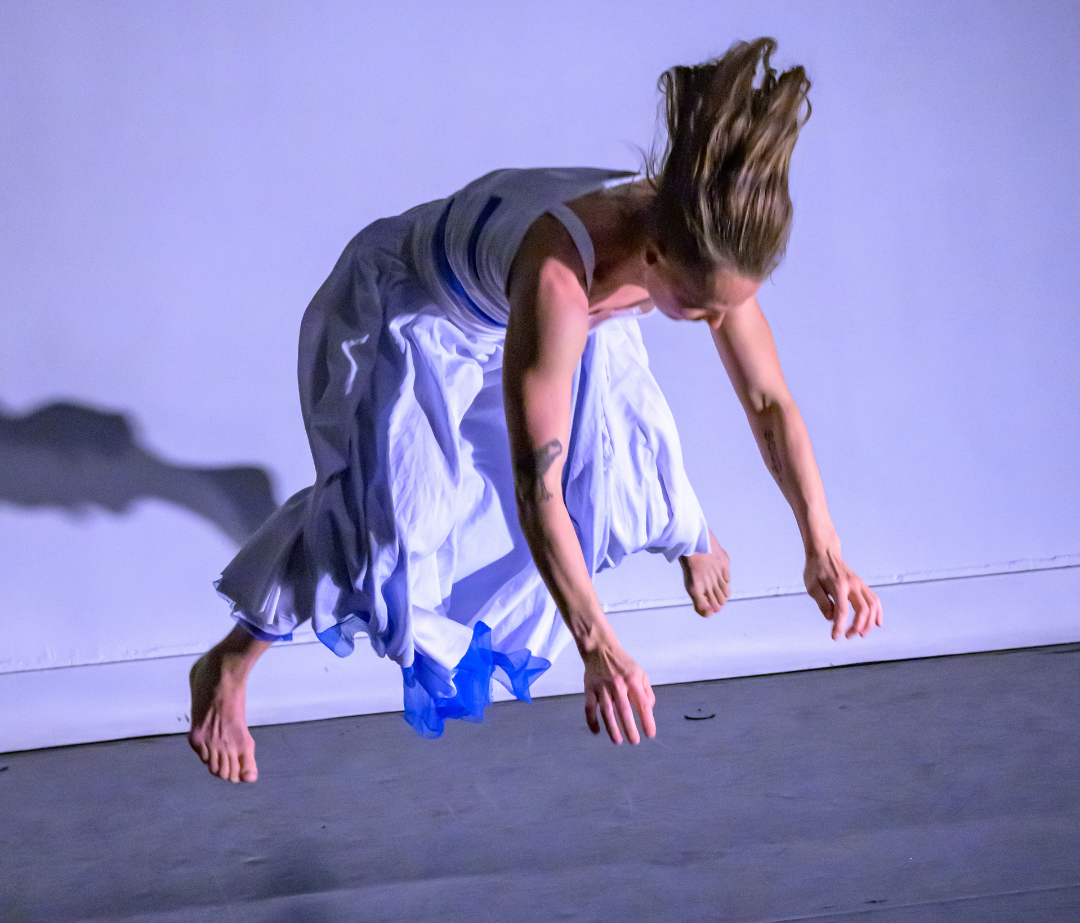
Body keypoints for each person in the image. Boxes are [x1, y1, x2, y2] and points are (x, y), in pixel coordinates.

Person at [189, 38, 883, 784]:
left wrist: (824, 544)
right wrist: (598, 647)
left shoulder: (701, 236)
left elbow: (769, 401)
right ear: (651, 258)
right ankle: (230, 662)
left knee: (623, 451)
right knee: (388, 535)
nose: (720, 324)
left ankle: (684, 531)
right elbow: (535, 491)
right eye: (703, 309)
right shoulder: (561, 273)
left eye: (731, 309)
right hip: (419, 315)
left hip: (560, 322)